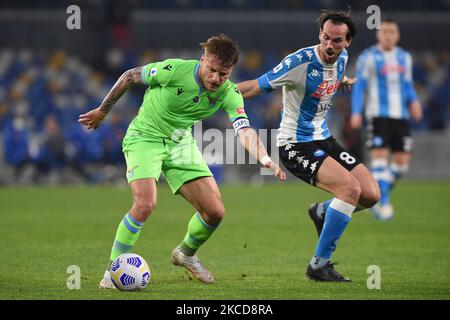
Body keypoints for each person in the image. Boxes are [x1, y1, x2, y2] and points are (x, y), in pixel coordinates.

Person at [78, 34, 286, 288]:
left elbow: (244, 130)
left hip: (180, 144)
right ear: (202, 61)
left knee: (215, 212)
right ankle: (112, 271)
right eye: (211, 70)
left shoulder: (229, 93)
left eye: (223, 74)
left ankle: (185, 254)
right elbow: (130, 76)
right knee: (145, 205)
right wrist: (103, 110)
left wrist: (264, 157)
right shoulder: (174, 70)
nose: (215, 79)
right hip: (145, 137)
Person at [238, 10, 380, 282]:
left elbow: (329, 79)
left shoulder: (343, 59)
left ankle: (323, 211)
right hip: (295, 145)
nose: (330, 45)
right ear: (319, 35)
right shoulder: (299, 62)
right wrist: (219, 92)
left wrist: (344, 82)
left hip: (324, 139)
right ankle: (319, 265)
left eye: (337, 41)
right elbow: (256, 86)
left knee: (371, 194)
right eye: (326, 38)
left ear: (347, 42)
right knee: (350, 190)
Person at [350, 19, 422, 220]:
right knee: (380, 159)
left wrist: (414, 101)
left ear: (397, 35)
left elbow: (407, 85)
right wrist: (357, 111)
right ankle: (383, 202)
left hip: (401, 116)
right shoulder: (369, 57)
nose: (389, 35)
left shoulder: (404, 57)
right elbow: (360, 86)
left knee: (402, 164)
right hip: (377, 114)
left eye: (392, 31)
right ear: (378, 34)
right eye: (385, 31)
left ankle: (378, 194)